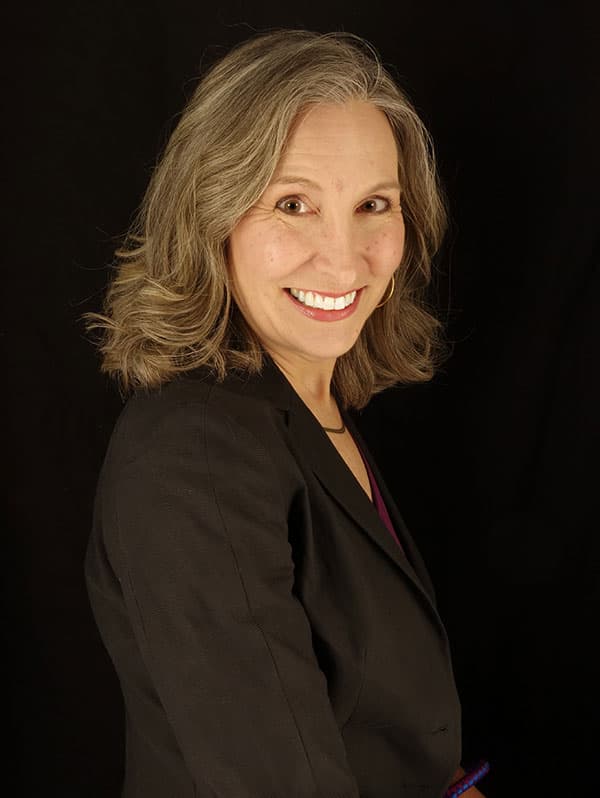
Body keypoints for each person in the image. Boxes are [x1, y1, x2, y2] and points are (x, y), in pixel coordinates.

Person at [83, 28, 488, 798]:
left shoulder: (307, 411)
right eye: (293, 204)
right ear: (212, 215)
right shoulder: (195, 455)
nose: (343, 257)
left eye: (375, 204)